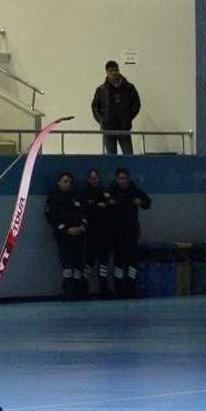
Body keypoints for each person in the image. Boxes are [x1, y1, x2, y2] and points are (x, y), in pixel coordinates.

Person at [108, 168, 151, 297]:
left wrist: (140, 202)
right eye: (121, 178)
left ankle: (131, 289)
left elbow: (147, 203)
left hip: (132, 230)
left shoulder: (134, 189)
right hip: (117, 231)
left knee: (131, 261)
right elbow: (105, 206)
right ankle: (119, 290)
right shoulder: (111, 190)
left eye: (126, 178)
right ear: (117, 179)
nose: (124, 181)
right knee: (119, 261)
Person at [44, 172, 88, 300]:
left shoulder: (76, 196)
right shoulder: (54, 198)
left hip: (79, 235)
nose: (68, 184)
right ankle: (68, 292)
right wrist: (65, 229)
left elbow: (84, 213)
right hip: (64, 236)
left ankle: (79, 291)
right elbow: (51, 217)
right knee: (67, 263)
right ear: (59, 182)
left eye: (70, 182)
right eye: (65, 181)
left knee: (78, 263)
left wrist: (82, 226)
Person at [91, 60, 141, 155]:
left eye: (116, 70)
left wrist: (128, 117)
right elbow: (95, 107)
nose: (114, 72)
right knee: (111, 158)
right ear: (106, 72)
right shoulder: (101, 90)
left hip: (124, 128)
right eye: (111, 70)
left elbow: (136, 104)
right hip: (108, 129)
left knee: (129, 156)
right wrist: (101, 120)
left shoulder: (129, 88)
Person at [82, 169, 115, 298]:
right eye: (92, 178)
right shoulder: (85, 193)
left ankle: (103, 289)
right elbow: (86, 209)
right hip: (92, 232)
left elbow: (112, 206)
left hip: (106, 231)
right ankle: (82, 289)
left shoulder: (105, 191)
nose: (95, 180)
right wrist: (98, 206)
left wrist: (101, 205)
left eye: (96, 178)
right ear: (88, 179)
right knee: (89, 260)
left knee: (104, 262)